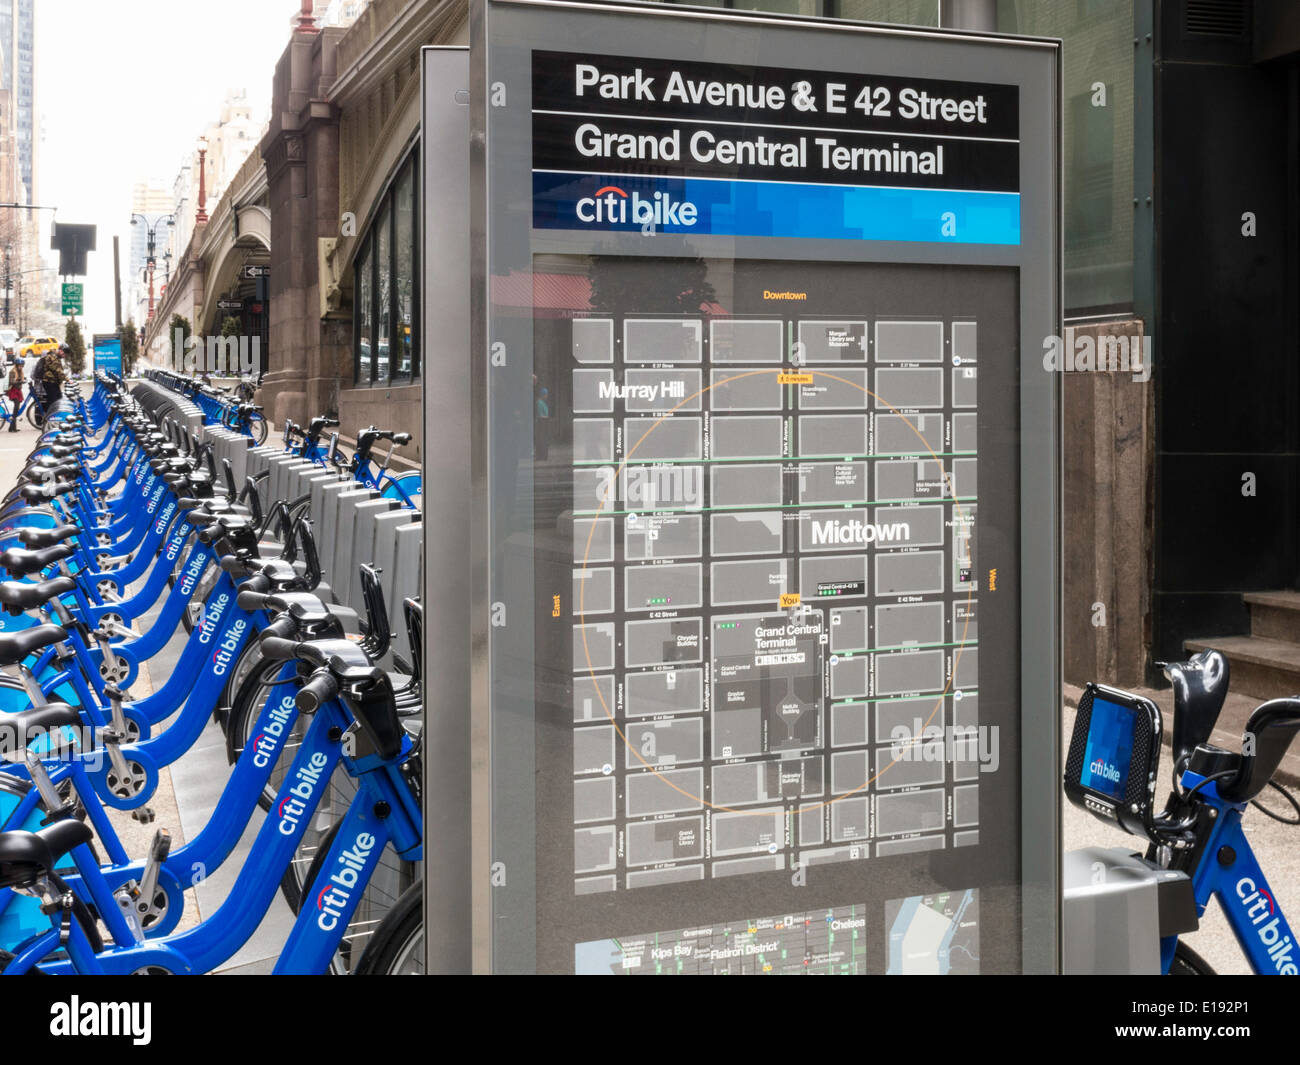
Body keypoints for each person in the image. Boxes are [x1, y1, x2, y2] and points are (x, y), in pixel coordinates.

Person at [34, 345, 67, 411]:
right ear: (60, 351)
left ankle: (52, 415)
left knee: (58, 398)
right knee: (53, 401)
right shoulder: (52, 357)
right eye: (64, 353)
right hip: (49, 382)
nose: (65, 356)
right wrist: (67, 379)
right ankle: (49, 417)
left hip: (53, 382)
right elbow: (57, 370)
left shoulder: (55, 357)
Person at [5, 356, 23, 432]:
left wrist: (23, 380)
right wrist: (19, 382)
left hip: (18, 390)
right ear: (16, 365)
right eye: (19, 365)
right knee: (16, 408)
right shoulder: (13, 371)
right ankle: (13, 427)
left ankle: (11, 427)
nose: (20, 367)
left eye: (22, 366)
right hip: (13, 391)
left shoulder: (21, 371)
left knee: (17, 408)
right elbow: (12, 382)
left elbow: (21, 379)